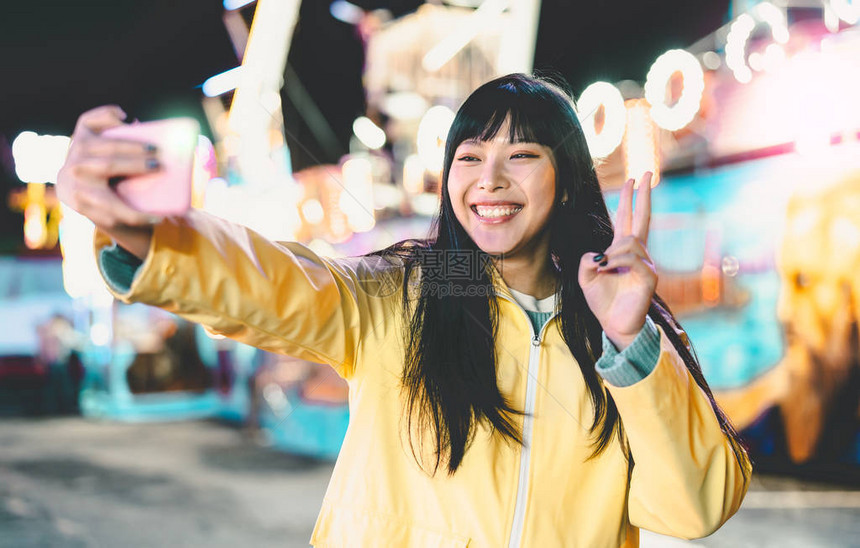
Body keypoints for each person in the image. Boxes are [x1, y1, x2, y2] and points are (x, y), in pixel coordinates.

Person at [57, 73, 751, 547]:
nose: (490, 181)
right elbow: (278, 285)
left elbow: (695, 509)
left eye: (522, 155)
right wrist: (149, 238)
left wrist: (631, 344)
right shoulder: (407, 292)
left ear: (567, 179)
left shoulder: (617, 331)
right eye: (470, 156)